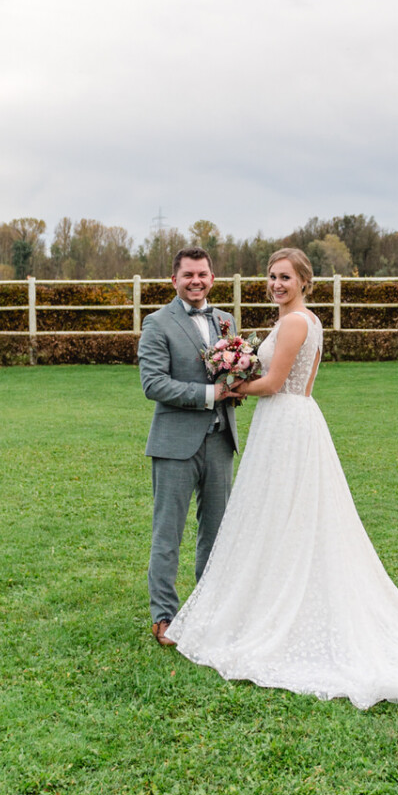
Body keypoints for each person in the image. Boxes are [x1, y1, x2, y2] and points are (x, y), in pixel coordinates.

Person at [166, 247, 398, 715]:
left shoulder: (297, 322)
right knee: (282, 514)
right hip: (292, 422)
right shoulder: (305, 321)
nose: (276, 284)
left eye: (285, 277)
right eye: (271, 276)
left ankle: (277, 605)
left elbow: (275, 381)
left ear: (304, 281)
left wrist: (231, 384)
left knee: (284, 512)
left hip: (285, 420)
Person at [138, 245, 240, 645]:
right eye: (188, 275)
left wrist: (238, 386)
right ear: (174, 280)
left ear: (212, 278)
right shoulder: (157, 323)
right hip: (175, 444)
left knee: (216, 533)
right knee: (168, 534)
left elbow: (235, 370)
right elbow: (153, 384)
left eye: (202, 274)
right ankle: (164, 617)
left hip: (220, 442)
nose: (196, 281)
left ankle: (208, 610)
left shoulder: (226, 321)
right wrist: (212, 393)